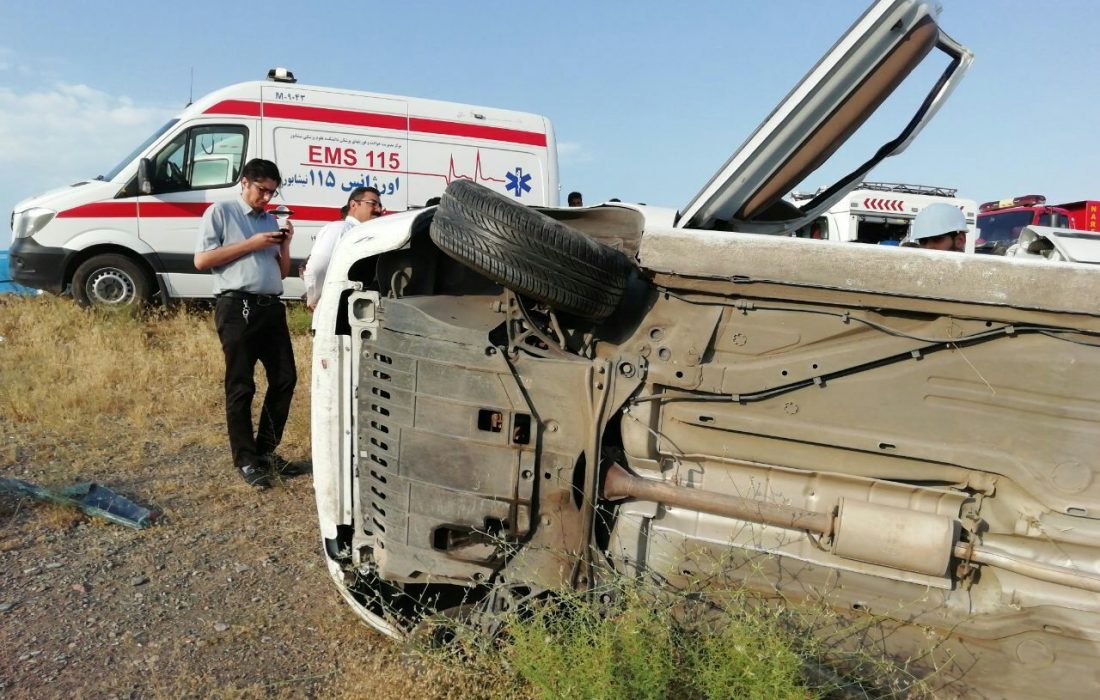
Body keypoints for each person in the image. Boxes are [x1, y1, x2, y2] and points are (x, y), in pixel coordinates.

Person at [194, 158, 298, 490]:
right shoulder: (221, 212)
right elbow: (202, 260)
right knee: (241, 385)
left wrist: (284, 244)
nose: (266, 199)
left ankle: (265, 451)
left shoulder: (269, 219)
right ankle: (245, 459)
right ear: (245, 183)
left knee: (285, 379)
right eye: (261, 190)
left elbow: (281, 272)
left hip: (271, 306)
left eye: (271, 192)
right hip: (236, 305)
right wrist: (250, 244)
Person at [303, 186, 383, 313]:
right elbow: (318, 267)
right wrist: (316, 298)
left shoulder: (367, 233)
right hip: (335, 308)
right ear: (353, 204)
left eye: (379, 205)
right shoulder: (339, 229)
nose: (378, 209)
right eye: (372, 204)